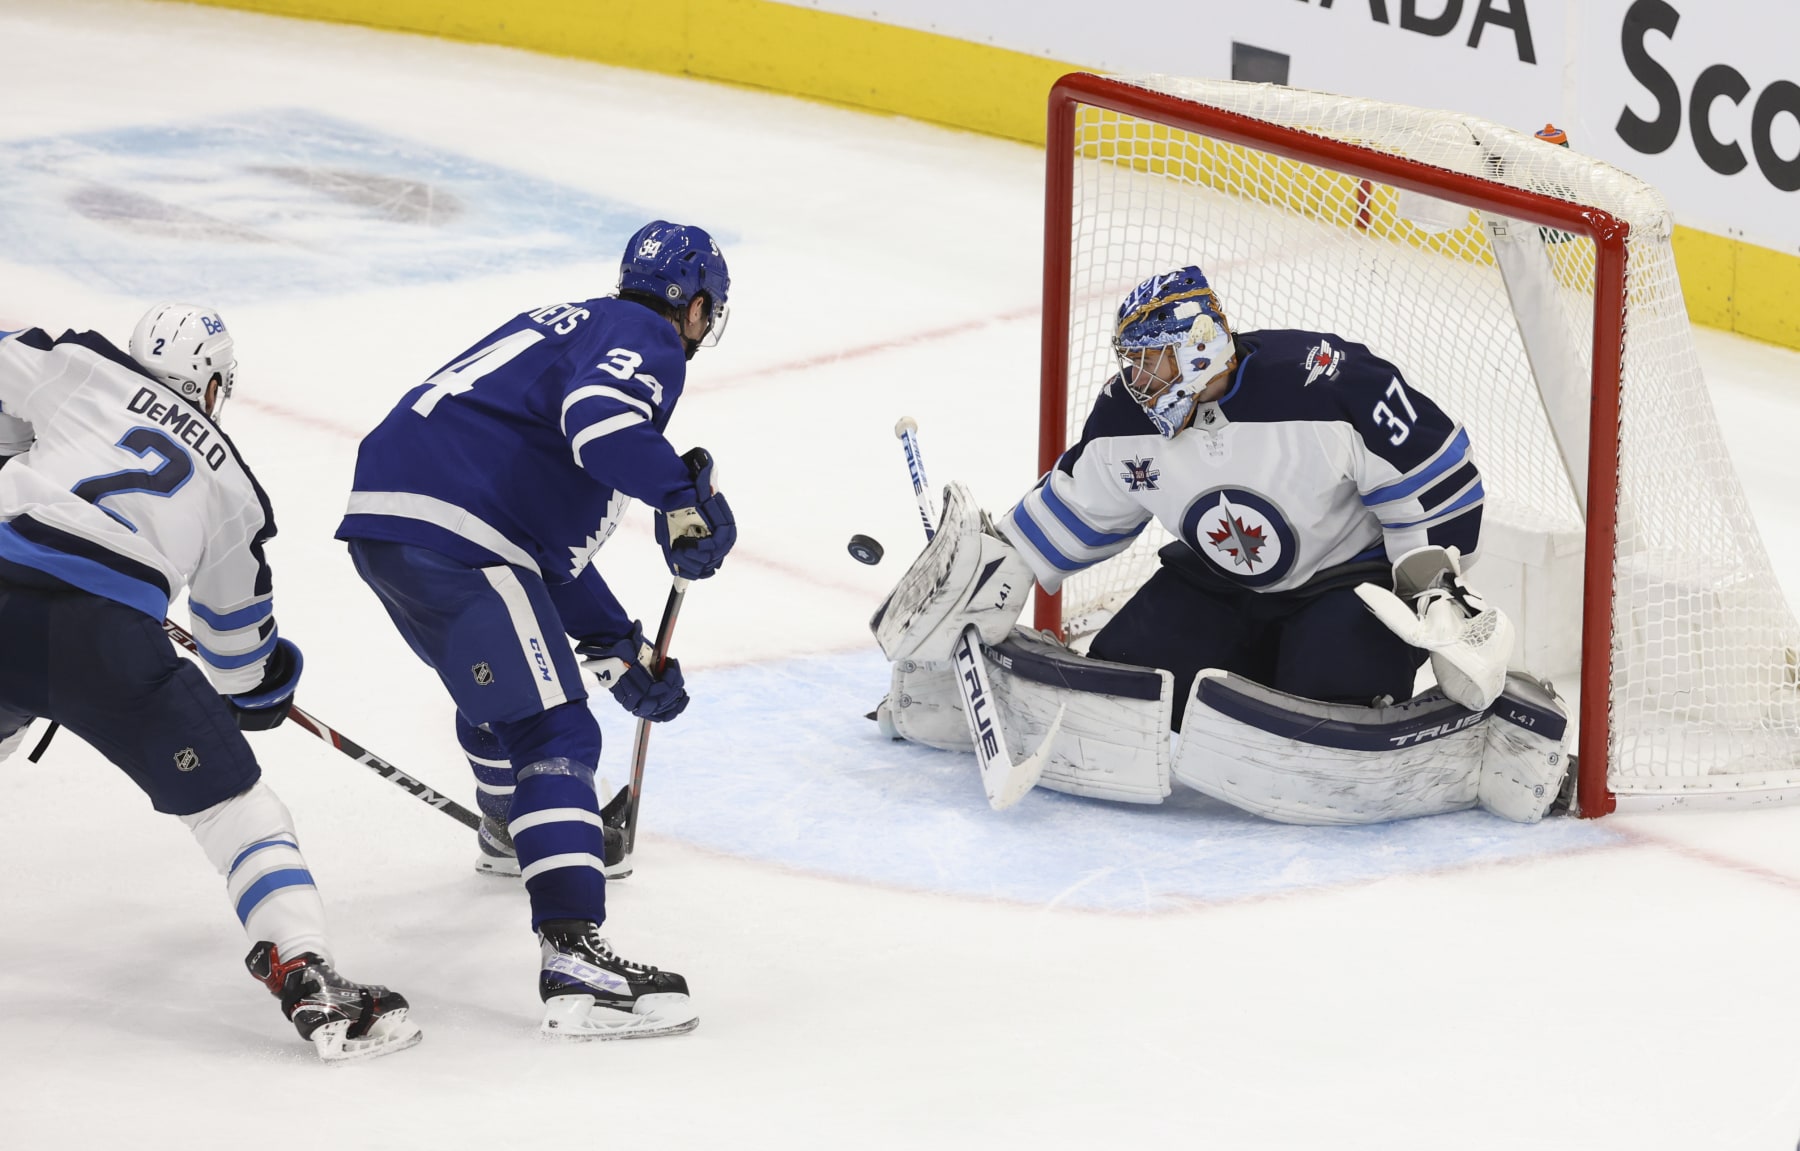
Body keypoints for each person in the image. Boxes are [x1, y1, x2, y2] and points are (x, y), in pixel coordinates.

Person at [335, 220, 736, 1040]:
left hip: (396, 519)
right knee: (554, 724)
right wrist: (682, 496)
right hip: (460, 530)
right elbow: (600, 426)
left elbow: (541, 551)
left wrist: (620, 647)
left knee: (505, 695)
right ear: (693, 306)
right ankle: (574, 955)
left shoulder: (574, 322)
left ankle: (512, 829)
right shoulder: (645, 337)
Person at [0, 305, 420, 1063]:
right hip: (103, 641)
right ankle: (303, 968)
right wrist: (268, 682)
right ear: (213, 383)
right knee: (238, 808)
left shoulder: (80, 364)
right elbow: (237, 656)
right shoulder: (234, 486)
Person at [1005, 264, 1502, 721]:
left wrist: (1431, 586)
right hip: (1218, 583)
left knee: (1326, 701)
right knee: (1129, 676)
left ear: (1198, 347)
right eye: (1133, 362)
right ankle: (1260, 667)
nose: (1138, 380)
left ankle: (1300, 674)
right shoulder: (1125, 418)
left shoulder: (1325, 382)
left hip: (1346, 583)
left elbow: (1435, 480)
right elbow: (1074, 511)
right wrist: (999, 564)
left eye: (1153, 360)